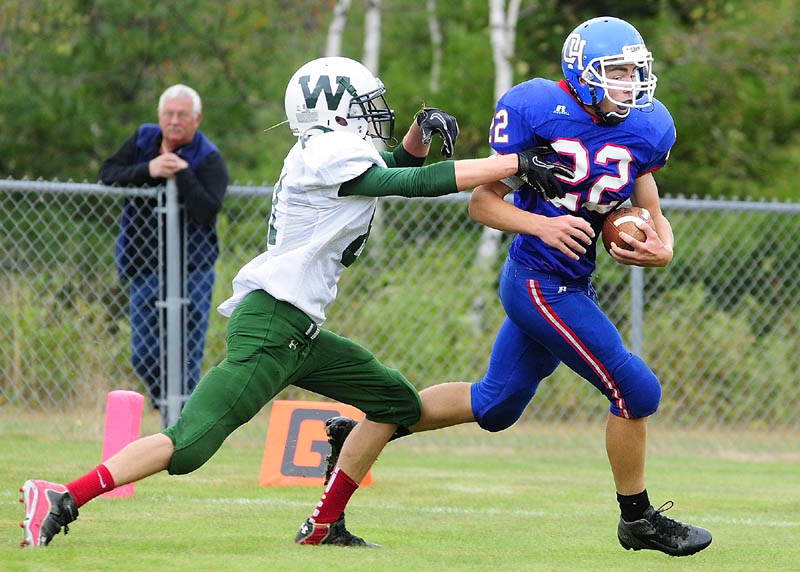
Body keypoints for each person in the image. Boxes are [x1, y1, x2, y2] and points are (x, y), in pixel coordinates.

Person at [20, 56, 557, 548]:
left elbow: (392, 165)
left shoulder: (331, 149)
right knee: (188, 446)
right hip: (272, 327)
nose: (379, 114)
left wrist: (422, 130)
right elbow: (405, 181)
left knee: (397, 402)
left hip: (299, 331)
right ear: (336, 109)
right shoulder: (327, 150)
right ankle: (64, 496)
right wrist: (507, 163)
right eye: (367, 104)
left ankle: (324, 524)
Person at [321, 17, 713, 557]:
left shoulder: (647, 126)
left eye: (635, 71)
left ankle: (368, 430)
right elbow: (483, 203)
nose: (630, 84)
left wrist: (663, 244)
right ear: (583, 72)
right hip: (536, 281)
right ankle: (637, 520)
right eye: (617, 72)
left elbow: (648, 202)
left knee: (496, 406)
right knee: (637, 390)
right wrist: (543, 224)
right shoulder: (538, 109)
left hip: (573, 280)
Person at [99, 84, 229, 409]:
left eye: (182, 115)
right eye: (168, 114)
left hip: (192, 270)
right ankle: (169, 406)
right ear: (159, 115)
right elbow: (107, 174)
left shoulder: (209, 158)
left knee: (186, 356)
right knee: (142, 353)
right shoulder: (143, 139)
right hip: (144, 267)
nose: (174, 121)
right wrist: (149, 170)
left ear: (197, 119)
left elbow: (207, 209)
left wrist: (182, 174)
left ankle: (182, 425)